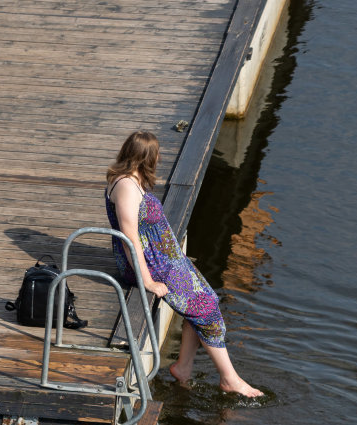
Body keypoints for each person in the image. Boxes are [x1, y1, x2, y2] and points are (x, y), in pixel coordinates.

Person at [104, 130, 263, 398]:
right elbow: (129, 237)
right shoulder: (126, 187)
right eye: (157, 154)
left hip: (163, 259)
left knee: (208, 299)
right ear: (147, 157)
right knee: (206, 309)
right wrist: (148, 281)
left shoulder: (131, 180)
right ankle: (230, 379)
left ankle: (184, 367)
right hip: (152, 266)